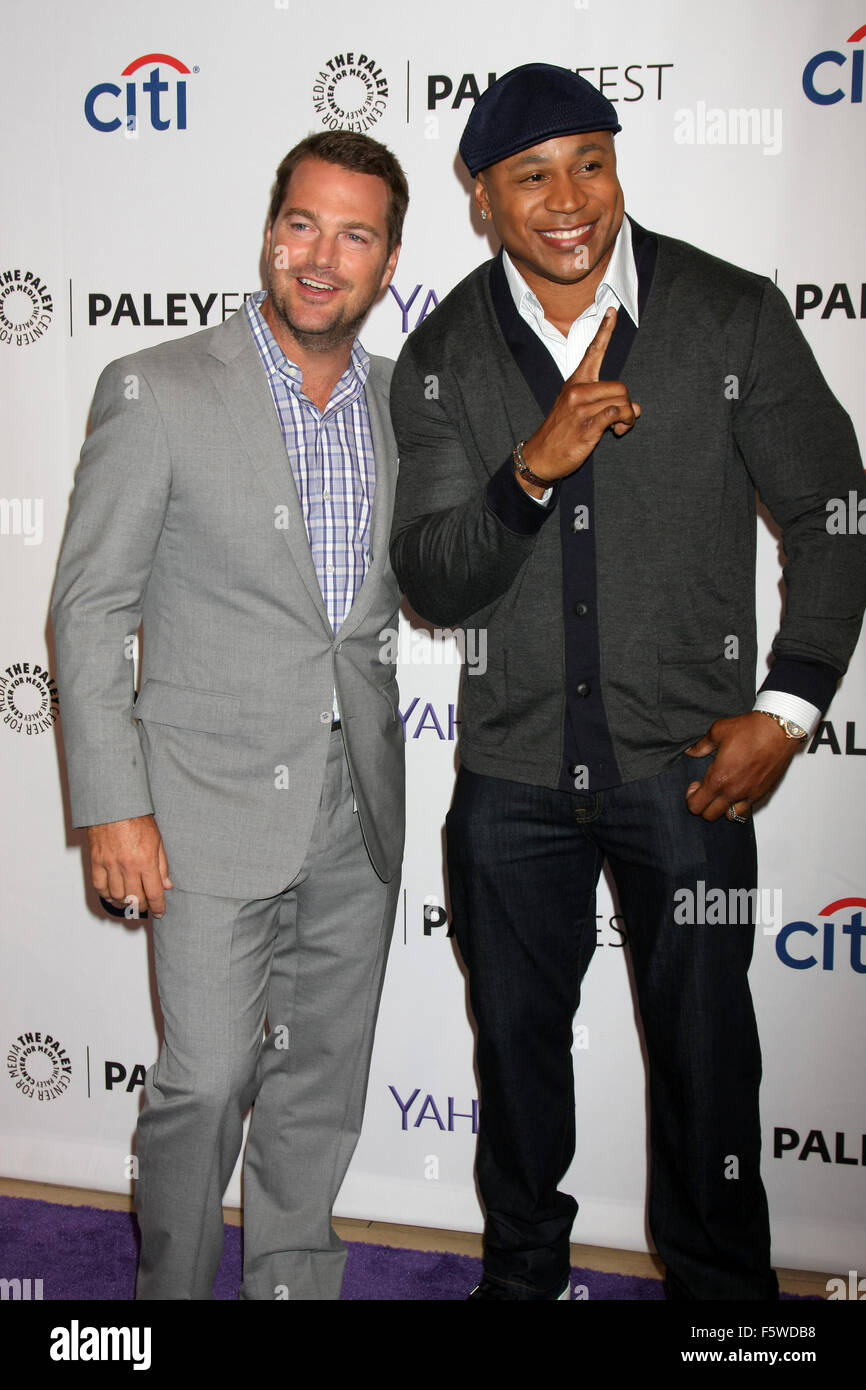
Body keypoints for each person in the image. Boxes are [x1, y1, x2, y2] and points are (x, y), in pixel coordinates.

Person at [389, 64, 866, 1300]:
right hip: (509, 784)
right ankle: (525, 1279)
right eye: (529, 176)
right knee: (517, 1065)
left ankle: (724, 1309)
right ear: (481, 199)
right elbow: (433, 582)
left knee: (710, 1062)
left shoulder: (728, 314)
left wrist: (790, 702)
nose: (567, 201)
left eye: (588, 163)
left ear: (616, 167)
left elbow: (834, 511)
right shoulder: (440, 357)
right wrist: (528, 473)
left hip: (686, 776)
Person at [51, 130, 408, 1301]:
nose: (321, 256)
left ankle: (293, 1289)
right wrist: (113, 804)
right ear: (268, 231)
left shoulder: (409, 402)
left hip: (356, 810)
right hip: (200, 811)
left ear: (388, 258)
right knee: (203, 1079)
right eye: (302, 224)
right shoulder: (159, 386)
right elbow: (90, 610)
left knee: (318, 1089)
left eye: (354, 234)